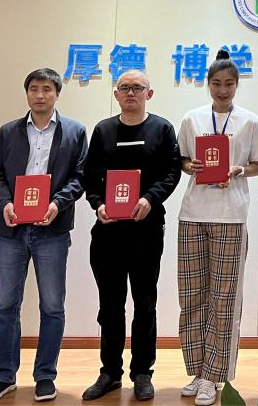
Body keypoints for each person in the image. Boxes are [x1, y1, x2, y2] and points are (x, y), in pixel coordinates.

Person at [0, 68, 88, 403]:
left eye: (47, 89)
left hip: (52, 230)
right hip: (12, 229)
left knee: (52, 306)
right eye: (34, 89)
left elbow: (80, 176)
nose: (40, 95)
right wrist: (5, 204)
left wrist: (57, 203)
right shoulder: (8, 131)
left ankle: (45, 375)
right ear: (27, 93)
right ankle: (3, 376)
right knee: (5, 306)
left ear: (57, 93)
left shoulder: (74, 131)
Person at [81, 69, 182, 402]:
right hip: (108, 232)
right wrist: (98, 204)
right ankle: (110, 373)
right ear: (116, 94)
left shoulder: (162, 129)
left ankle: (142, 373)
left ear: (149, 94)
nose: (130, 93)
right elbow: (90, 175)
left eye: (137, 88)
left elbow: (172, 173)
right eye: (124, 88)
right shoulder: (103, 130)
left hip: (146, 230)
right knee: (110, 306)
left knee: (145, 303)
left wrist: (149, 199)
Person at [177, 50, 258, 406]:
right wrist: (192, 166)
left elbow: (257, 164)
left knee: (225, 298)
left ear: (237, 85)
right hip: (192, 213)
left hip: (231, 214)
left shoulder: (249, 121)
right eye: (216, 83)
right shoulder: (191, 118)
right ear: (208, 84)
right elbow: (183, 160)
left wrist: (238, 170)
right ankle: (198, 370)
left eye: (229, 83)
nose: (222, 90)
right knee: (192, 295)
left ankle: (214, 376)